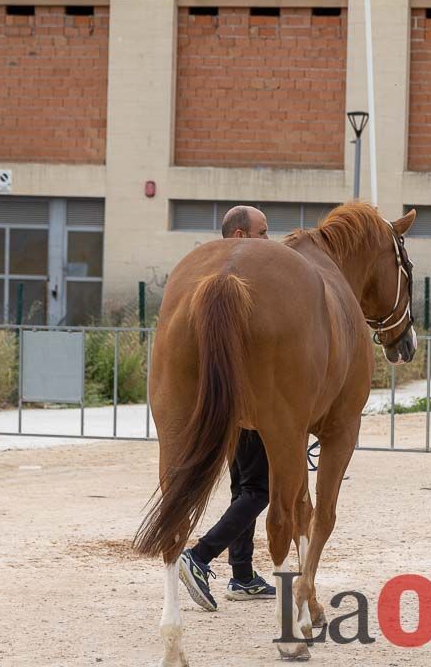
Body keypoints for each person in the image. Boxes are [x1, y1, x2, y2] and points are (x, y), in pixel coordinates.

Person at [178, 205, 276, 610]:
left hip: (227, 400)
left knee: (243, 488)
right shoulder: (243, 283)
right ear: (239, 237)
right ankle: (200, 556)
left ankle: (243, 576)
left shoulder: (211, 276)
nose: (269, 241)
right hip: (249, 400)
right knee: (259, 490)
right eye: (263, 232)